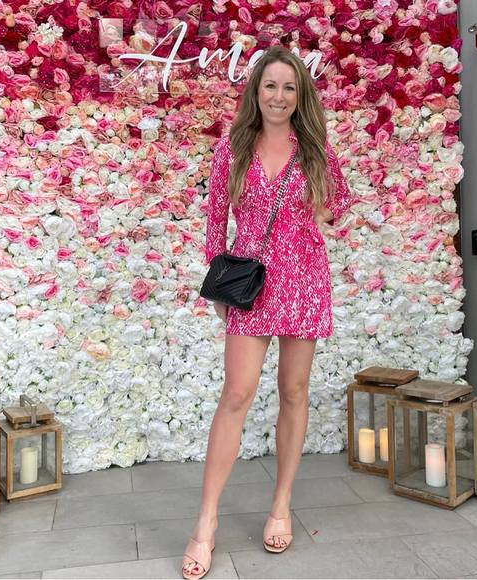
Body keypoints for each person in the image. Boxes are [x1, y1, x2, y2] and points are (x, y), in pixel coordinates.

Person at [182, 45, 354, 580]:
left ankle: (281, 504)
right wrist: (218, 287)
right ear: (256, 91)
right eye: (270, 86)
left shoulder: (315, 149)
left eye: (288, 87)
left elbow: (341, 206)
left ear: (300, 95)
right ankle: (205, 522)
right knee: (236, 394)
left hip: (304, 277)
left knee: (294, 391)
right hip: (250, 283)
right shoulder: (233, 147)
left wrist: (324, 210)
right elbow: (215, 220)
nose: (278, 96)